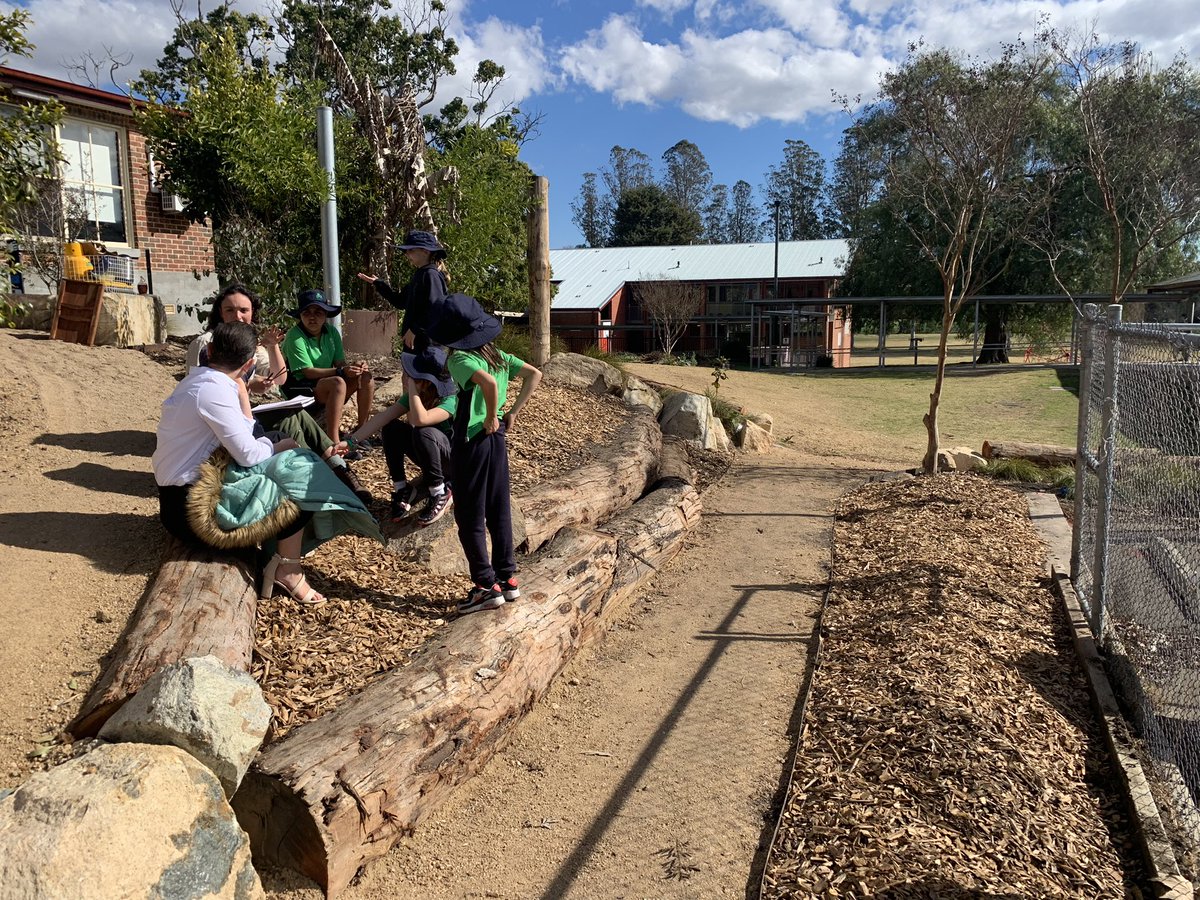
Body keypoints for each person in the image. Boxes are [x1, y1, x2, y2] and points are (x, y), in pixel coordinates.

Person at [153, 322, 382, 606]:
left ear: (209, 351)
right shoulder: (215, 392)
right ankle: (287, 568)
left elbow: (246, 432)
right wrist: (280, 447)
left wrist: (245, 398)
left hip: (180, 497)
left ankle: (281, 554)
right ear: (249, 363)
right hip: (194, 513)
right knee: (301, 483)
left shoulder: (198, 382)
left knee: (286, 449)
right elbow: (248, 454)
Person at [187, 283, 370, 501]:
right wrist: (247, 386)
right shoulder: (206, 343)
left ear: (252, 313)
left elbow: (280, 377)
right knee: (291, 420)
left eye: (243, 310)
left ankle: (335, 471)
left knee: (296, 415)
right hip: (224, 421)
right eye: (230, 310)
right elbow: (199, 387)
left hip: (248, 413)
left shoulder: (253, 345)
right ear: (220, 312)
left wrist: (272, 347)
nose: (237, 316)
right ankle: (322, 477)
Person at [426, 294, 542, 614]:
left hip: (473, 440)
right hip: (497, 441)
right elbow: (535, 374)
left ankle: (484, 586)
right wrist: (512, 412)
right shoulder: (498, 355)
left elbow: (488, 385)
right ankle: (507, 578)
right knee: (498, 507)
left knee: (470, 516)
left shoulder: (460, 360)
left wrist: (491, 415)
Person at [341, 345, 458, 526]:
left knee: (423, 432)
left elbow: (420, 420)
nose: (407, 375)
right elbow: (382, 417)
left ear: (426, 380)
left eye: (412, 373)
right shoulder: (421, 393)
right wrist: (350, 441)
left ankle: (439, 492)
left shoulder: (451, 399)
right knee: (391, 428)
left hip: (453, 461)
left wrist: (410, 386)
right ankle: (402, 488)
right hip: (430, 455)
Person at [281, 289, 374, 444]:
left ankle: (361, 432)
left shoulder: (331, 333)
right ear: (300, 315)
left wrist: (355, 368)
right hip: (302, 390)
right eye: (307, 312)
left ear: (325, 315)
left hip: (325, 383)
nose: (312, 317)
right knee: (338, 382)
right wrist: (341, 371)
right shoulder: (294, 336)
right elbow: (308, 372)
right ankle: (334, 442)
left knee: (365, 378)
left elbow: (340, 363)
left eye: (318, 312)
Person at [355, 230, 449, 351]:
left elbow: (436, 308)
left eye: (411, 250)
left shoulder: (431, 275)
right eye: (405, 251)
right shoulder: (419, 275)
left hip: (427, 346)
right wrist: (379, 284)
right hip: (414, 343)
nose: (406, 254)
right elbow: (400, 301)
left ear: (426, 251)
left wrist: (415, 329)